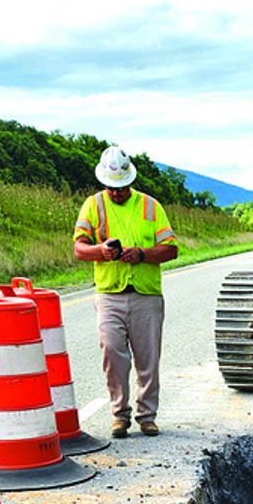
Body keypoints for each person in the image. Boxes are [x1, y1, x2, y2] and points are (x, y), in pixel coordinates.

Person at [73, 146, 178, 438]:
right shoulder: (93, 206)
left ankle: (147, 415)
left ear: (130, 181)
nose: (117, 193)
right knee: (112, 352)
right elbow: (79, 249)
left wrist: (142, 254)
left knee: (148, 358)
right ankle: (120, 415)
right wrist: (101, 251)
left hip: (145, 293)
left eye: (121, 188)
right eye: (111, 188)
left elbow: (171, 249)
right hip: (109, 293)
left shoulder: (151, 207)